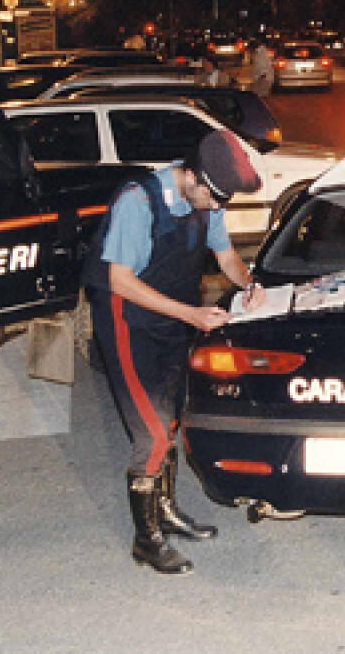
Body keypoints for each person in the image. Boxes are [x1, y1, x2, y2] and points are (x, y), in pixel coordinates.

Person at [83, 130, 266, 575]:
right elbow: (120, 281)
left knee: (171, 419)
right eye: (214, 199)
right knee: (152, 433)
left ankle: (166, 513)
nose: (217, 209)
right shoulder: (138, 201)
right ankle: (145, 541)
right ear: (194, 179)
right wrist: (192, 314)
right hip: (128, 322)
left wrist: (250, 285)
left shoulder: (208, 204)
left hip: (173, 321)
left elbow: (226, 257)